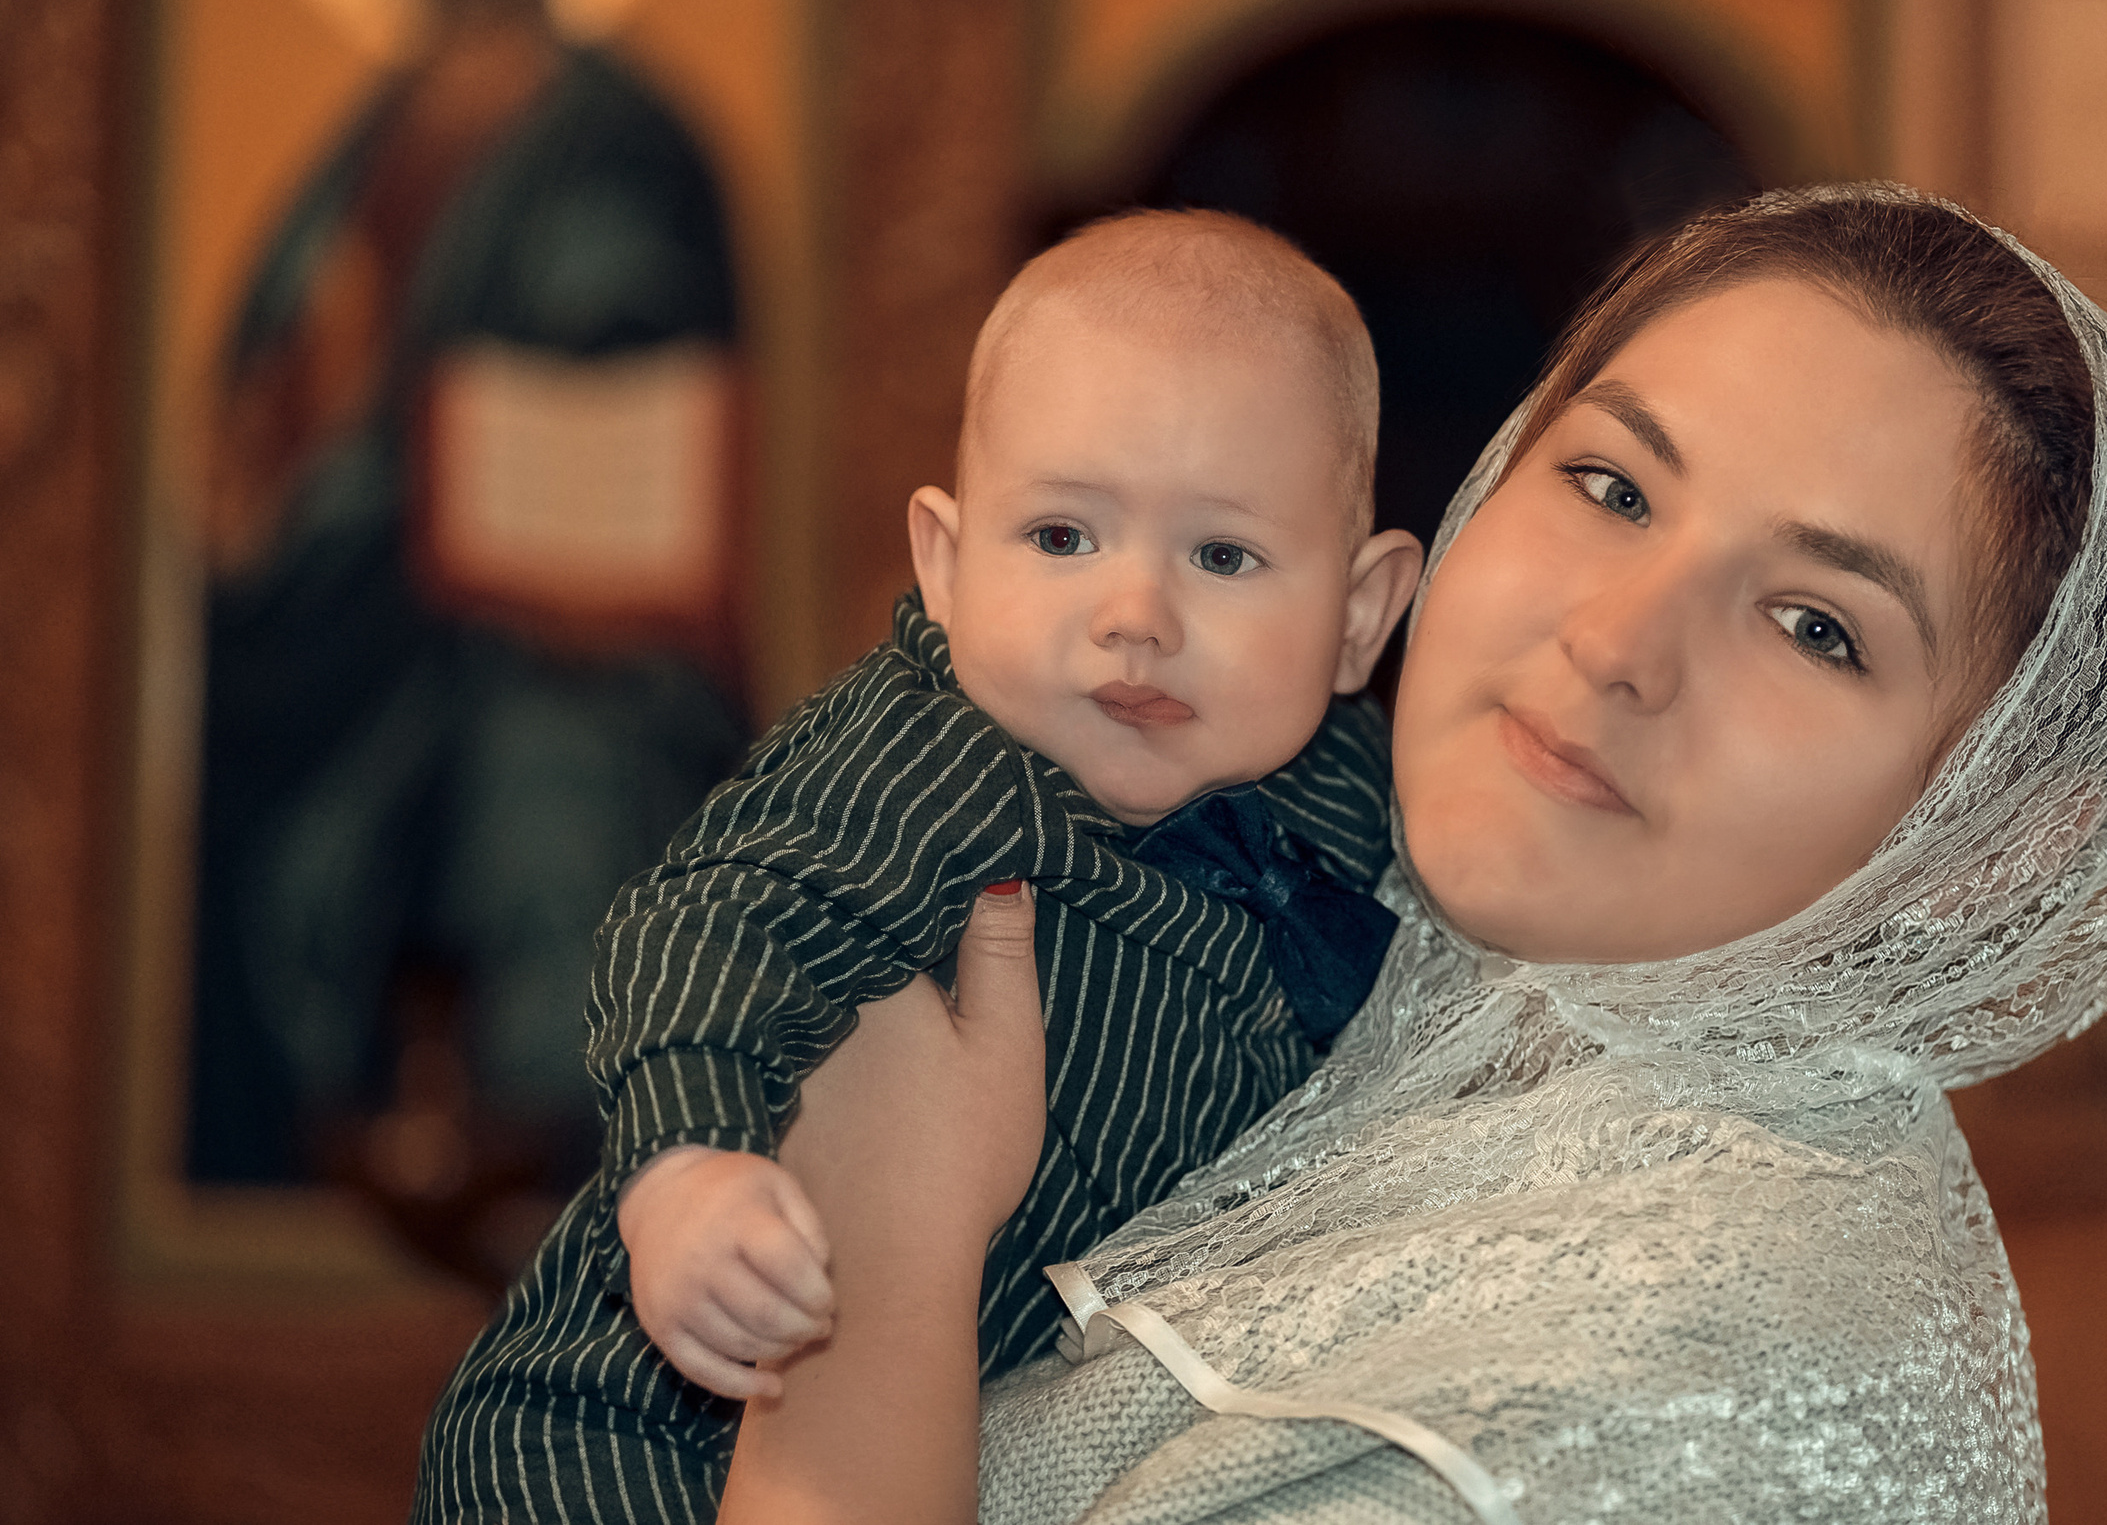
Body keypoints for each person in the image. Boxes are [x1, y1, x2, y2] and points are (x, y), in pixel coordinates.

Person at [716, 183, 2107, 1523]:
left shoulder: (1672, 1394)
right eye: (1612, 487)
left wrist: (875, 1262)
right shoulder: (1287, 884)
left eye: (1815, 626)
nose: (1616, 643)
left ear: (1994, 843)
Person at [410, 211, 1427, 1519]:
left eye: (1221, 555)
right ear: (944, 567)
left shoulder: (1351, 793)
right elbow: (713, 929)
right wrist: (687, 1175)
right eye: (1061, 537)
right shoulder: (929, 758)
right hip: (639, 1423)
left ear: (1358, 618)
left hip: (961, 1423)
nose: (1135, 618)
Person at [190, 0, 747, 1228]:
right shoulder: (364, 147)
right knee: (271, 856)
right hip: (341, 630)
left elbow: (643, 354)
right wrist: (295, 458)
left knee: (548, 788)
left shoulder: (619, 134)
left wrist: (446, 421)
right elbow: (277, 402)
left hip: (559, 638)